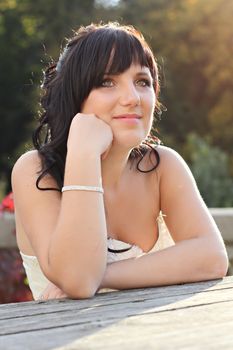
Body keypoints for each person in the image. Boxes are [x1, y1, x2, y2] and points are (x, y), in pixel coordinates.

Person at [12, 22, 228, 300]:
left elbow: (211, 257)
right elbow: (77, 279)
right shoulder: (35, 171)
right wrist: (84, 154)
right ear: (74, 95)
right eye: (107, 82)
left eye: (142, 82)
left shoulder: (161, 165)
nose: (132, 98)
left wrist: (103, 275)